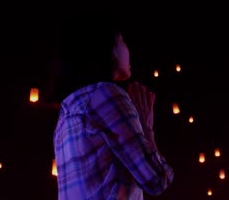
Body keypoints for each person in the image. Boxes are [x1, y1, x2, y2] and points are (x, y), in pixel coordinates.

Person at [50, 11, 174, 199]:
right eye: (123, 41)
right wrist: (147, 130)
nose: (129, 50)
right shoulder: (106, 95)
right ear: (108, 48)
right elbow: (157, 179)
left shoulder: (67, 111)